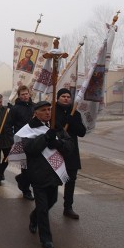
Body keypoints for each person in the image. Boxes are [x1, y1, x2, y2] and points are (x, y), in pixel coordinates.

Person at [14, 100, 74, 248]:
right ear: (36, 113)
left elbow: (69, 145)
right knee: (42, 207)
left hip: (54, 173)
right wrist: (46, 138)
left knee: (52, 200)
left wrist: (58, 144)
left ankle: (34, 218)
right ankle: (46, 239)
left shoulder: (56, 126)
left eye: (49, 109)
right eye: (44, 110)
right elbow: (30, 149)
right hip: (37, 173)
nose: (48, 112)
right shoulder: (28, 130)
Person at [55, 88, 87, 219]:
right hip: (55, 151)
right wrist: (62, 122)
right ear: (58, 98)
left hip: (71, 152)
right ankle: (45, 205)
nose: (66, 98)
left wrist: (72, 120)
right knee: (52, 180)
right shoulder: (51, 112)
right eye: (63, 96)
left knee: (71, 180)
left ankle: (68, 207)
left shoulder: (75, 113)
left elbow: (82, 132)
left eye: (68, 96)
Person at [10, 85, 34, 200]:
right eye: (22, 94)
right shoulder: (15, 109)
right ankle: (26, 190)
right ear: (19, 96)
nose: (25, 96)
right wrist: (12, 140)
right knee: (25, 167)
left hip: (34, 140)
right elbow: (8, 125)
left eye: (26, 94)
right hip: (21, 141)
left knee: (34, 166)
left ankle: (21, 179)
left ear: (29, 94)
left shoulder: (34, 107)